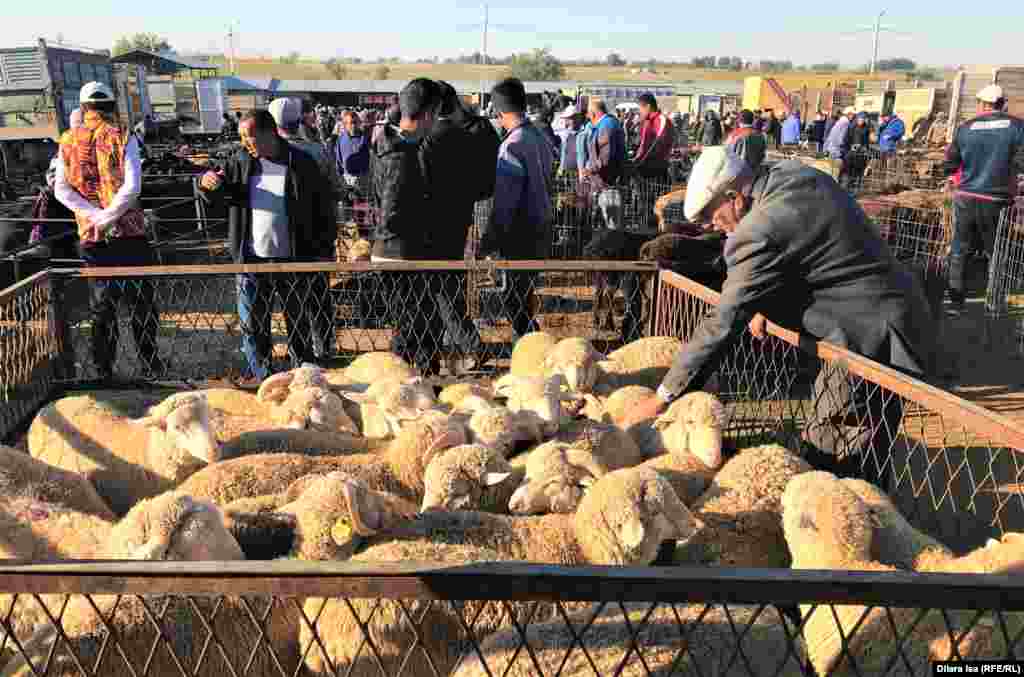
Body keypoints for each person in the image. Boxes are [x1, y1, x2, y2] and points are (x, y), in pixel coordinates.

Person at [623, 146, 935, 490]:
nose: (712, 227)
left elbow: (723, 320)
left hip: (865, 335)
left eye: (712, 216)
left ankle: (848, 520)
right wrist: (764, 303)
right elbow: (810, 254)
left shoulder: (760, 227)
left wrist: (663, 397)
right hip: (891, 313)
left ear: (733, 197)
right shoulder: (794, 176)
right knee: (868, 441)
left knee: (833, 444)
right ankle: (869, 507)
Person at [198, 109, 334, 382]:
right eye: (242, 138)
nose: (245, 143)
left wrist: (321, 251)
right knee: (253, 325)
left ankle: (301, 377)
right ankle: (262, 376)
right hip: (251, 259)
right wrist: (205, 184)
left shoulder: (302, 163)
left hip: (294, 259)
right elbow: (218, 195)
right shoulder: (239, 161)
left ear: (270, 132)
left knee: (298, 322)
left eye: (249, 137)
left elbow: (323, 211)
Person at [53, 82, 163, 381]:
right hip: (130, 235)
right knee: (141, 302)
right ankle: (150, 364)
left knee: (101, 307)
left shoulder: (67, 140)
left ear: (83, 106)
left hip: (93, 238)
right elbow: (133, 186)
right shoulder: (124, 135)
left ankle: (104, 370)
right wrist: (110, 216)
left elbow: (60, 190)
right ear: (112, 105)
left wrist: (96, 218)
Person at [370, 78, 446, 373]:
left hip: (401, 253)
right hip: (401, 256)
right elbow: (391, 213)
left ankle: (413, 384)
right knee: (417, 329)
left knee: (413, 328)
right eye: (436, 114)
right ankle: (412, 387)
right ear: (428, 114)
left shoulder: (394, 145)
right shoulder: (400, 157)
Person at [478, 77, 553, 339]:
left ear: (498, 112)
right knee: (524, 295)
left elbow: (505, 204)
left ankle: (532, 350)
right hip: (542, 227)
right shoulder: (540, 137)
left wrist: (488, 241)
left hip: (521, 233)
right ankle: (532, 342)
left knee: (514, 300)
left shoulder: (511, 146)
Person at [268, 97, 340, 365]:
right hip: (319, 236)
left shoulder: (271, 155)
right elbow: (337, 188)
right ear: (300, 120)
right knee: (320, 293)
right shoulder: (318, 151)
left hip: (286, 237)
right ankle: (325, 349)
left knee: (292, 296)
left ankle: (300, 352)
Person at [943, 84, 1024, 313]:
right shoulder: (1017, 127)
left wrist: (954, 177)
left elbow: (950, 164)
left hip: (966, 197)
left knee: (960, 251)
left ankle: (955, 304)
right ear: (1002, 103)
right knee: (997, 252)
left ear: (981, 104)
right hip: (997, 199)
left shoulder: (965, 127)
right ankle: (994, 303)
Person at [581, 98, 626, 231]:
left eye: (588, 114)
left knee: (610, 224)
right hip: (607, 181)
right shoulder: (609, 123)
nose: (587, 117)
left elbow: (605, 158)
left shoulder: (606, 126)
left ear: (593, 113)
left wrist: (589, 169)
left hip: (607, 182)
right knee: (609, 222)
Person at [632, 93, 674, 180]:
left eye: (640, 108)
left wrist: (638, 162)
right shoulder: (647, 120)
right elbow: (643, 144)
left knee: (655, 192)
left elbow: (656, 144)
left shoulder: (661, 120)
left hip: (656, 169)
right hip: (644, 167)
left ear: (647, 106)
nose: (639, 111)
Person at [335, 109, 372, 199]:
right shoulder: (341, 139)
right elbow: (338, 161)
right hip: (347, 181)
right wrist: (342, 181)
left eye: (356, 122)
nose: (354, 125)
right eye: (351, 123)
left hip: (362, 180)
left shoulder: (365, 138)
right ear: (345, 125)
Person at [556, 105, 581, 173]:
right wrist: (561, 168)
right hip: (565, 171)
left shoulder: (584, 134)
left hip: (578, 172)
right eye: (567, 119)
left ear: (578, 118)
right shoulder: (565, 134)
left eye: (571, 118)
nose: (568, 121)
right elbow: (563, 152)